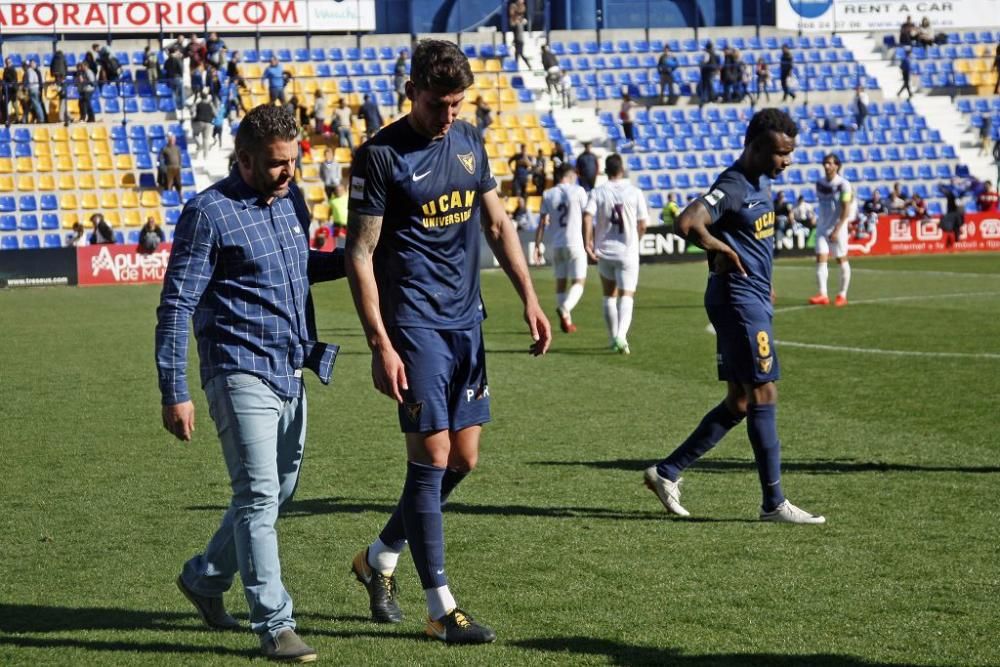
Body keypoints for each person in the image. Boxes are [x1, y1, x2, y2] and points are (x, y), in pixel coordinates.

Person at [345, 38, 551, 645]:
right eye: (438, 104)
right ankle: (441, 605)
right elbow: (360, 255)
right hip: (414, 328)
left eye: (457, 103)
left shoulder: (467, 141)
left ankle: (378, 558)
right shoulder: (379, 157)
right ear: (411, 92)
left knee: (462, 461)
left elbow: (497, 222)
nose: (448, 115)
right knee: (431, 459)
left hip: (467, 323)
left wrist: (530, 297)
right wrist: (380, 343)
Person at [155, 103, 347, 663]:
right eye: (274, 164)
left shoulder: (293, 200)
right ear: (242, 159)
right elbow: (176, 305)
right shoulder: (207, 213)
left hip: (290, 368)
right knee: (259, 495)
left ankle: (205, 578)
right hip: (237, 370)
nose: (287, 173)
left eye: (292, 161)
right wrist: (175, 389)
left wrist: (350, 259)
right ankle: (275, 624)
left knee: (278, 492)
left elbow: (294, 264)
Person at [643, 108, 825, 525]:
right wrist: (717, 248)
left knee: (741, 400)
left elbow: (749, 238)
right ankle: (774, 504)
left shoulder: (759, 182)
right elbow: (687, 222)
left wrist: (761, 277)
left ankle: (667, 471)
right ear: (757, 147)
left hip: (750, 297)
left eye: (791, 153)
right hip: (738, 302)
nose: (788, 161)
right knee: (764, 392)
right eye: (782, 153)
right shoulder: (732, 185)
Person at [583, 153, 649, 355]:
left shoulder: (598, 192)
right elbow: (643, 223)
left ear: (606, 170)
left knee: (609, 295)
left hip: (605, 250)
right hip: (627, 251)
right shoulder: (634, 192)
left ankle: (614, 338)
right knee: (627, 295)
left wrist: (588, 242)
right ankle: (621, 336)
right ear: (622, 169)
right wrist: (635, 240)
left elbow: (587, 215)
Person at [535, 162, 590, 333]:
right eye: (573, 174)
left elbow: (542, 222)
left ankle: (566, 321)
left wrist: (538, 244)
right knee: (579, 282)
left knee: (560, 283)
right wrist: (590, 241)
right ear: (568, 175)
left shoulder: (548, 194)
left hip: (557, 244)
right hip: (575, 242)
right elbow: (588, 216)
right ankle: (565, 308)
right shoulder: (578, 191)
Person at [809, 154, 855, 307]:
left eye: (830, 163)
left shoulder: (844, 184)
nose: (827, 166)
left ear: (837, 166)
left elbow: (845, 209)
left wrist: (838, 228)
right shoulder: (819, 183)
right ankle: (823, 294)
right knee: (820, 258)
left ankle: (842, 294)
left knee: (841, 259)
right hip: (822, 227)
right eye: (825, 163)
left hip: (837, 228)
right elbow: (824, 205)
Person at [192, 92, 217, 161]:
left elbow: (192, 112)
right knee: (205, 139)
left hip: (199, 122)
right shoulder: (210, 105)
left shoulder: (198, 104)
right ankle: (205, 156)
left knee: (195, 135)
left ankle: (199, 145)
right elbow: (215, 114)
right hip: (208, 123)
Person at [509, 0, 530, 69]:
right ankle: (517, 65)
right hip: (517, 39)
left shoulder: (520, 23)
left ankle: (528, 65)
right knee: (517, 54)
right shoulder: (513, 7)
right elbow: (513, 24)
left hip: (520, 40)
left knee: (519, 53)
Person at [393, 49, 409, 113]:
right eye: (405, 54)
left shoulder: (402, 61)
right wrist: (405, 75)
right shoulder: (400, 62)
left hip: (401, 80)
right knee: (402, 94)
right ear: (402, 55)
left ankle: (399, 108)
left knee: (403, 94)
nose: (406, 56)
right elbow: (401, 71)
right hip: (399, 80)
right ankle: (399, 109)